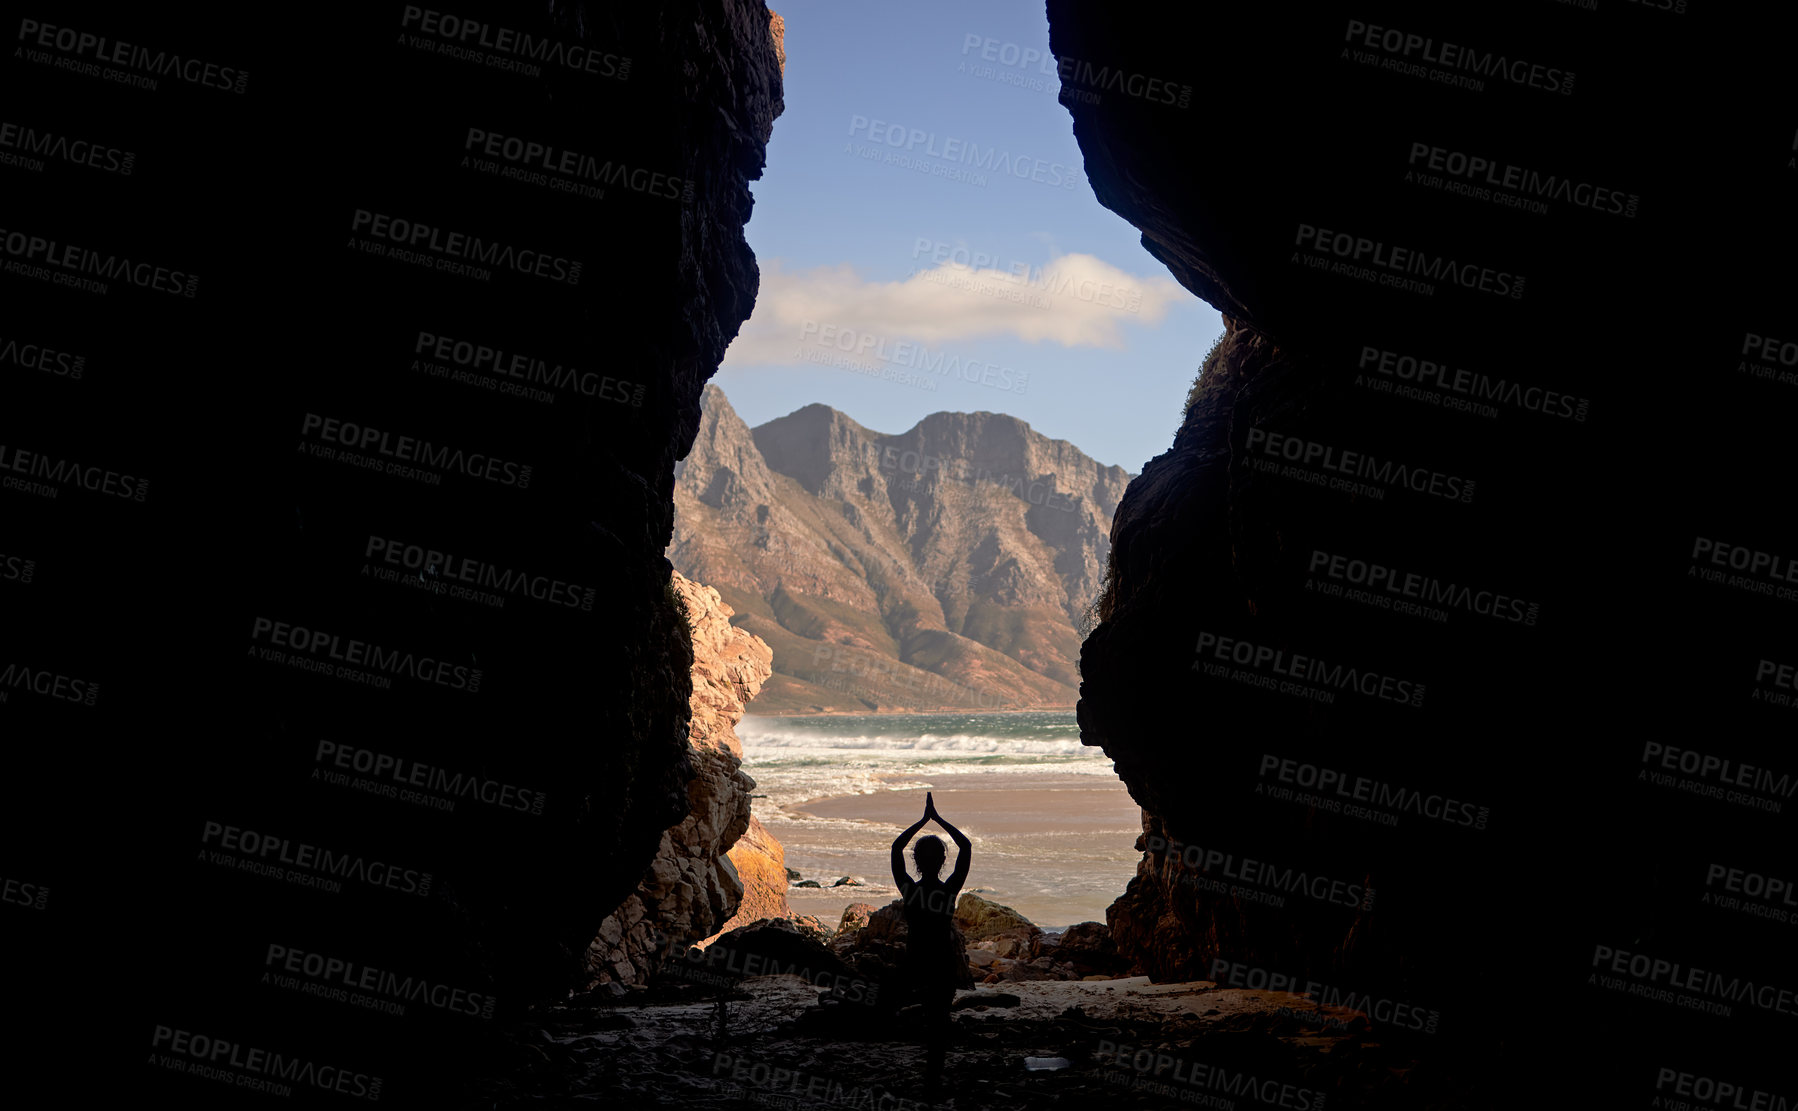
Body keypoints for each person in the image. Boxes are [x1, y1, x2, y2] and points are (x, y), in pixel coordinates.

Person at [890, 791, 971, 1086]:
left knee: (895, 1011)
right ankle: (933, 1076)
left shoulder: (910, 891)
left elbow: (896, 848)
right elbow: (966, 846)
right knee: (939, 1023)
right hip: (942, 963)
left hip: (914, 962)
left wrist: (921, 822)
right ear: (942, 861)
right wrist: (938, 820)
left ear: (917, 861)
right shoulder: (948, 892)